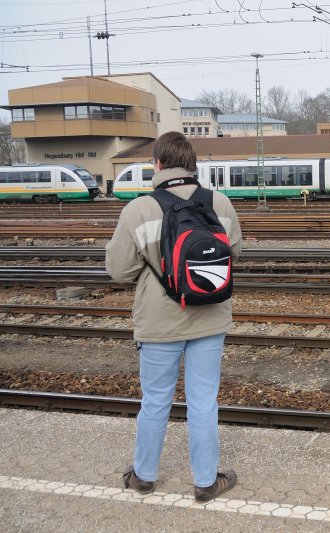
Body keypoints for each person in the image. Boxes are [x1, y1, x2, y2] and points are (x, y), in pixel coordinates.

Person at [106, 131, 242, 503]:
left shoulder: (139, 209)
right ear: (193, 165)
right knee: (203, 401)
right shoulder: (221, 204)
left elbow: (118, 270)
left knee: (155, 400)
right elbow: (234, 253)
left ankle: (144, 477)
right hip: (211, 318)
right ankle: (205, 482)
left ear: (159, 164)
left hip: (159, 323)